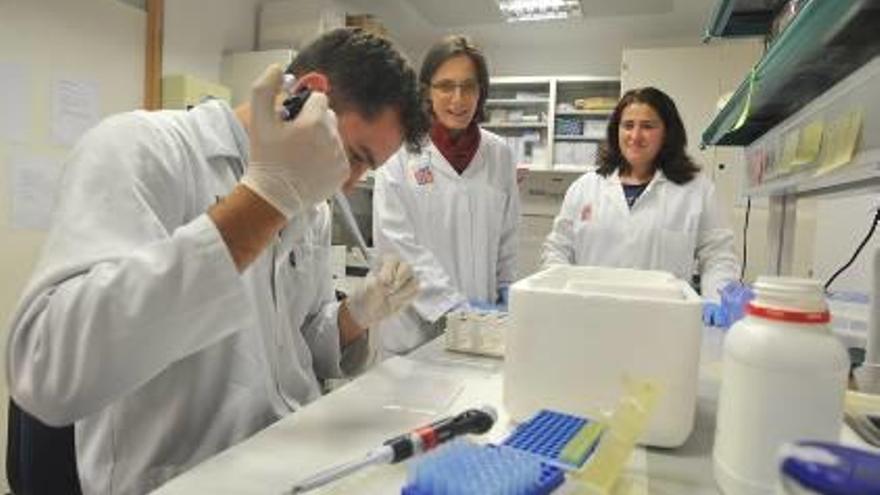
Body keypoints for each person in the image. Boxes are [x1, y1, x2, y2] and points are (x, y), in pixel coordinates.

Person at [5, 28, 429, 495]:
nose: (348, 184)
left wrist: (357, 314)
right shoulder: (143, 150)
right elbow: (48, 372)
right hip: (183, 477)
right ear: (308, 96)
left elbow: (302, 341)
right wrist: (262, 203)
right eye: (353, 157)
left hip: (289, 460)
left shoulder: (313, 209)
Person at [372, 35, 520, 355]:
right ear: (427, 90)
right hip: (413, 332)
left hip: (482, 332)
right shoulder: (399, 154)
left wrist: (507, 292)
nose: (458, 98)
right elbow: (396, 243)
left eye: (469, 86)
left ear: (481, 92)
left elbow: (507, 238)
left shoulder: (499, 154)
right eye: (446, 86)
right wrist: (453, 307)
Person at [541, 87, 739, 322]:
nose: (635, 136)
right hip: (590, 317)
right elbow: (557, 249)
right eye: (628, 125)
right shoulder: (585, 188)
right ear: (616, 131)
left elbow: (718, 254)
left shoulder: (696, 190)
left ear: (667, 132)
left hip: (663, 322)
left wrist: (715, 299)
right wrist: (557, 293)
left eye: (647, 126)